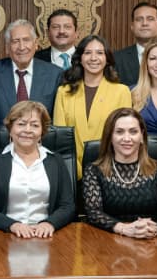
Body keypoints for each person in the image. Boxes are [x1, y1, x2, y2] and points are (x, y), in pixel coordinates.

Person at [0, 100, 76, 238]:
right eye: (21, 124)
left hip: (46, 235)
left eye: (34, 125)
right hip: (5, 234)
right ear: (10, 129)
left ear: (42, 131)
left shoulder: (56, 160)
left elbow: (68, 206)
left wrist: (49, 223)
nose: (27, 130)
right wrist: (12, 225)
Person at [83, 108, 157, 238]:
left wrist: (156, 228)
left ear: (142, 137)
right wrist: (123, 228)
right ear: (110, 137)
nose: (127, 138)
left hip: (151, 240)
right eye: (119, 132)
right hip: (108, 241)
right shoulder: (93, 171)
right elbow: (93, 212)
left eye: (133, 132)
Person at [52, 34, 132, 177]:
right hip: (71, 172)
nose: (93, 58)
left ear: (107, 59)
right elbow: (61, 138)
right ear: (80, 59)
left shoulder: (122, 91)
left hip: (109, 172)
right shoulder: (64, 92)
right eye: (87, 53)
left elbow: (123, 136)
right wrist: (76, 169)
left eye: (100, 53)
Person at [0, 19, 62, 128]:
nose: (21, 47)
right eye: (15, 41)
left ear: (36, 44)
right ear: (7, 47)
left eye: (26, 40)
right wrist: (12, 140)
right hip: (1, 142)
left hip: (41, 142)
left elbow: (57, 119)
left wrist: (33, 140)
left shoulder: (55, 74)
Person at [113, 2, 157, 87]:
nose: (144, 23)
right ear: (132, 26)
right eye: (139, 19)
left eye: (150, 19)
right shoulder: (117, 59)